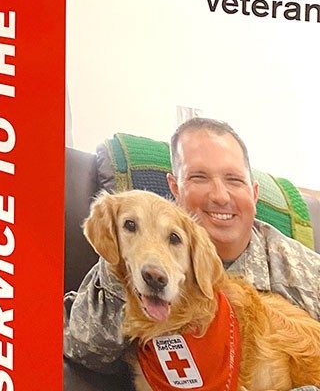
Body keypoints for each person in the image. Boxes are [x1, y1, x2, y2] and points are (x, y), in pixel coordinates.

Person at [64, 117, 320, 376]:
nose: (220, 196)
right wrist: (128, 272)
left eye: (234, 180)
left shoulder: (304, 270)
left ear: (254, 193)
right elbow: (82, 350)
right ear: (175, 188)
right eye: (199, 177)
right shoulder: (126, 254)